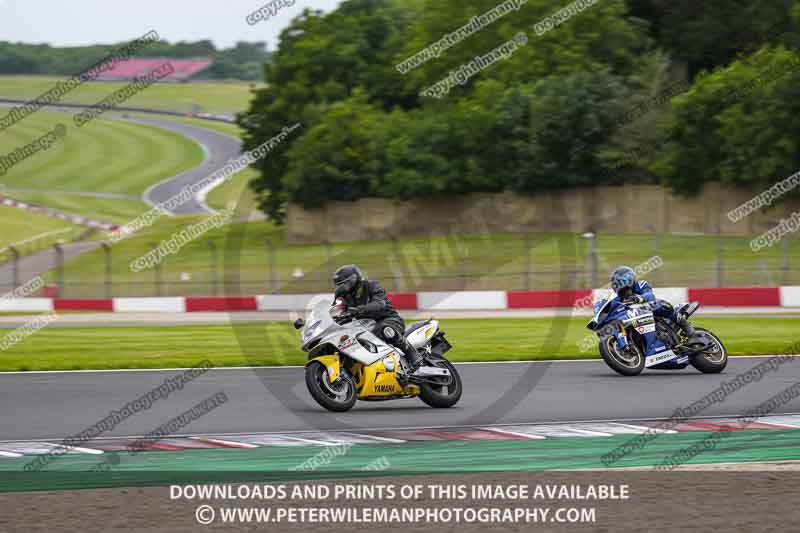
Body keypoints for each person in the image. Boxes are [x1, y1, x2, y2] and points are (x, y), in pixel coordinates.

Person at [331, 265, 424, 375]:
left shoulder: (372, 286)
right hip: (363, 325)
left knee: (384, 329)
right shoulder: (341, 295)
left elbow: (379, 303)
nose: (343, 287)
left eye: (345, 283)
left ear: (354, 279)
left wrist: (356, 311)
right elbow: (335, 310)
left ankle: (413, 355)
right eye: (340, 285)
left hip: (389, 319)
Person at [610, 265, 696, 340]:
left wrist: (639, 298)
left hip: (650, 311)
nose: (615, 286)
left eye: (618, 283)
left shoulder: (640, 285)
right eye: (614, 284)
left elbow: (650, 295)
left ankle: (684, 324)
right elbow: (612, 308)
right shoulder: (618, 299)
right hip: (635, 318)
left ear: (627, 279)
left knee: (659, 304)